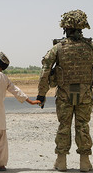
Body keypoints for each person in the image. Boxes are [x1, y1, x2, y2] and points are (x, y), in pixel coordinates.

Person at [37, 9, 93, 172]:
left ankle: (61, 162)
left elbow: (45, 72)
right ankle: (85, 162)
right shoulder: (90, 47)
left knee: (64, 126)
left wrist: (42, 94)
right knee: (83, 125)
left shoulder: (58, 48)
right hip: (85, 94)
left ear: (66, 28)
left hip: (64, 94)